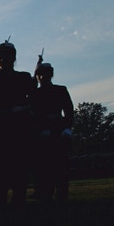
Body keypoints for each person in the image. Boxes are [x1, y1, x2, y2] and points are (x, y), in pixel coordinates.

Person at [0, 40, 34, 209]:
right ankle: (1, 203)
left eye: (7, 56)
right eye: (0, 56)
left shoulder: (23, 78)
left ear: (13, 58)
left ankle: (18, 202)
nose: (3, 59)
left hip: (19, 128)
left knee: (19, 169)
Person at [30, 62, 74, 205]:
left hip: (58, 130)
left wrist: (67, 127)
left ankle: (62, 196)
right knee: (44, 167)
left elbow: (68, 110)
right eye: (40, 74)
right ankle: (46, 196)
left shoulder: (60, 90)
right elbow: (33, 114)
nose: (42, 77)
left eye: (46, 74)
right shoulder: (34, 94)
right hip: (42, 133)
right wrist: (41, 128)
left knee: (61, 166)